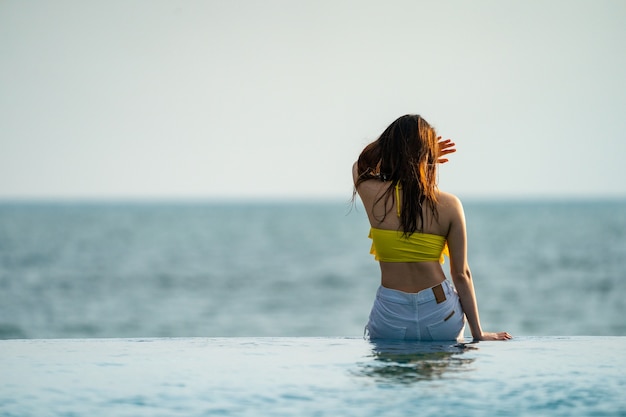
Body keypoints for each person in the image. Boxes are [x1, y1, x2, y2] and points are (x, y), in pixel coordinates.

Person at [352, 114, 511, 342]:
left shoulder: (374, 196)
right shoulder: (448, 205)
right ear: (426, 155)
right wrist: (478, 333)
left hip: (391, 315)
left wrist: (405, 150)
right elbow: (461, 274)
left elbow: (360, 165)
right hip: (439, 314)